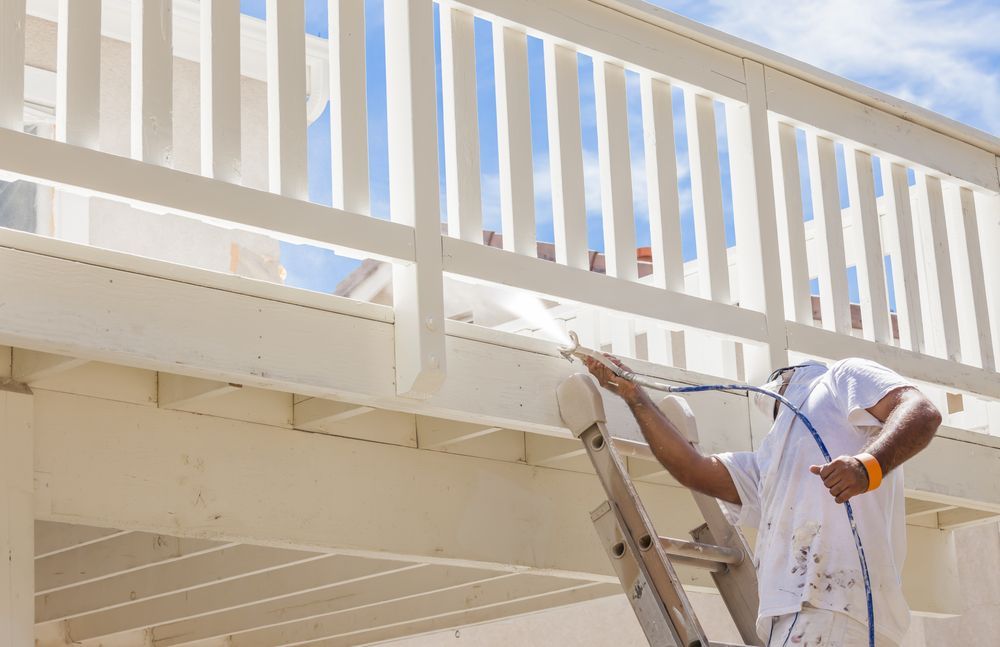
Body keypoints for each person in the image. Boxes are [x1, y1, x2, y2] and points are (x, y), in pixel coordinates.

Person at [584, 355, 941, 647]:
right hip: (801, 618)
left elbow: (921, 411)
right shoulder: (771, 463)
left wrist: (867, 467)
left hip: (834, 610)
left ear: (785, 380)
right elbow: (694, 470)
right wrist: (634, 395)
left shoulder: (839, 377)